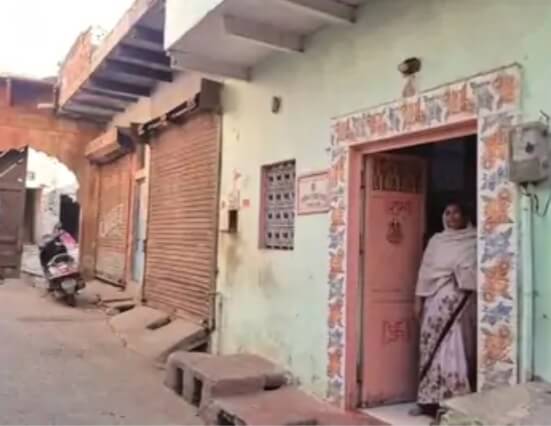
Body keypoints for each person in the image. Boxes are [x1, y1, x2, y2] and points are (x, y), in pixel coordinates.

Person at [410, 202, 477, 418]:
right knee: (431, 350)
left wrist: (462, 272)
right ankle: (426, 401)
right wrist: (418, 300)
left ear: (465, 216)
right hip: (434, 303)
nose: (451, 216)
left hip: (460, 305)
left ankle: (453, 403)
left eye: (456, 212)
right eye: (447, 213)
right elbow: (425, 272)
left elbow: (480, 271)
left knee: (455, 351)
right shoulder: (436, 241)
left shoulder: (475, 240)